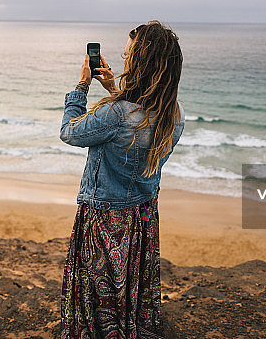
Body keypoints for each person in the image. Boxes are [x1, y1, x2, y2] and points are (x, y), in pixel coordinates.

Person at [59, 20, 185, 338]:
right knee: (129, 278)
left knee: (99, 279)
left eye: (128, 53)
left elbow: (70, 131)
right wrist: (114, 88)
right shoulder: (175, 112)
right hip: (142, 214)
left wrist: (82, 86)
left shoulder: (116, 115)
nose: (124, 57)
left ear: (139, 63)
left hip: (105, 213)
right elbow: (139, 118)